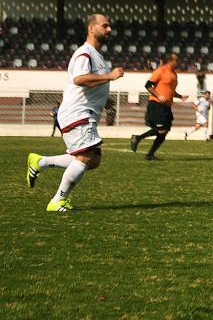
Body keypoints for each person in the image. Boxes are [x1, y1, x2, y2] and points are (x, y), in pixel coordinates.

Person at [27, 14, 124, 211]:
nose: (109, 30)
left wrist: (104, 100)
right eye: (105, 25)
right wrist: (110, 76)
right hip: (77, 112)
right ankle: (58, 200)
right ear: (91, 28)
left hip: (84, 112)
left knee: (93, 159)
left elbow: (89, 84)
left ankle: (40, 162)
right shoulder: (84, 53)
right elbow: (79, 79)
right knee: (86, 157)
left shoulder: (98, 56)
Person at [130, 53, 187, 160]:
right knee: (161, 130)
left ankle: (150, 154)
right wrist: (158, 95)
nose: (178, 62)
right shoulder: (160, 71)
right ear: (170, 61)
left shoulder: (174, 74)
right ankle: (137, 138)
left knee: (165, 131)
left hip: (167, 106)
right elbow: (148, 85)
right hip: (156, 104)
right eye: (177, 60)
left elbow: (170, 90)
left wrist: (180, 96)